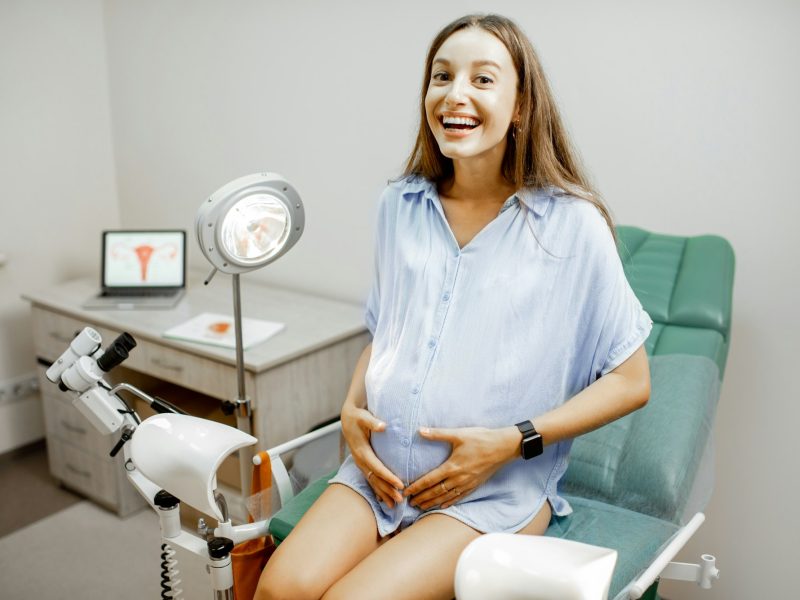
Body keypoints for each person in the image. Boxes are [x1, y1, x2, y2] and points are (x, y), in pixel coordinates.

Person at [255, 13, 652, 600]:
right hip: (380, 473)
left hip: (493, 490)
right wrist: (349, 409)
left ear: (520, 106)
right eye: (441, 76)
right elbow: (387, 334)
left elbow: (631, 381)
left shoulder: (571, 225)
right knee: (275, 590)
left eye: (482, 79)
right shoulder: (400, 205)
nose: (454, 94)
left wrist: (511, 441)